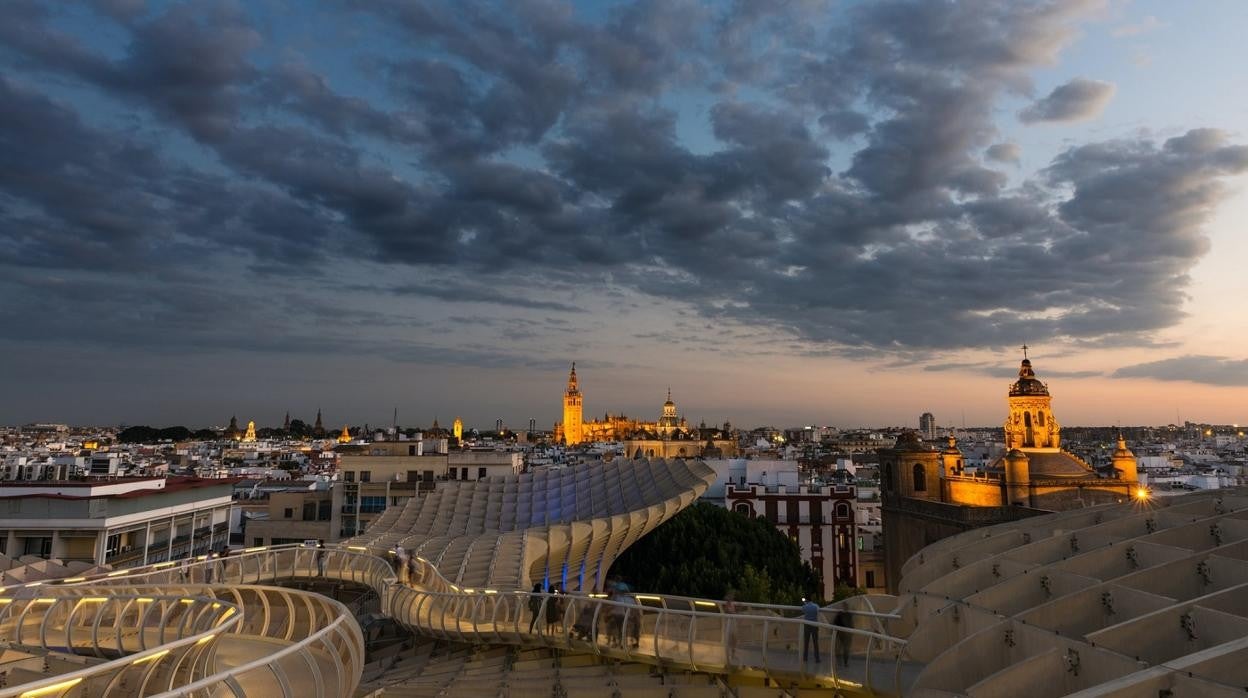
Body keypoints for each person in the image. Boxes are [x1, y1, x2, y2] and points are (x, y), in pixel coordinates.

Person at [801, 598, 821, 668]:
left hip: (807, 625)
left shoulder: (805, 606)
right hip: (814, 625)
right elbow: (818, 611)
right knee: (815, 642)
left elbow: (803, 610)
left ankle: (805, 657)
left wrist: (804, 603)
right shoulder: (816, 606)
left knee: (806, 642)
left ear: (806, 600)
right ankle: (817, 658)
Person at [723, 590, 738, 664]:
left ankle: (733, 654)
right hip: (729, 624)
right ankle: (728, 655)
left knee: (734, 638)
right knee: (730, 639)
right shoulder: (727, 605)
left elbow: (733, 612)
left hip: (733, 623)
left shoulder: (732, 604)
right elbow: (727, 611)